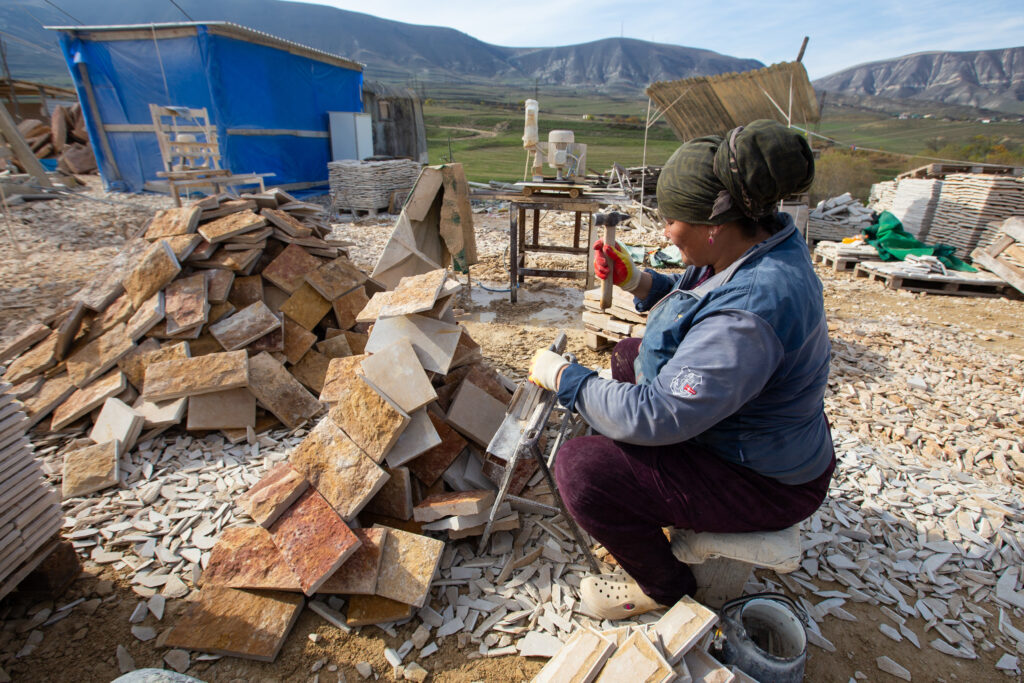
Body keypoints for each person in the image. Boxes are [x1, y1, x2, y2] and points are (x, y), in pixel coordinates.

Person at [527, 120, 835, 619]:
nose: (666, 231)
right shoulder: (754, 240)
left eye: (672, 220)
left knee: (582, 472)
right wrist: (640, 281)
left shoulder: (754, 310)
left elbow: (658, 415)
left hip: (766, 481)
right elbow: (701, 301)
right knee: (631, 353)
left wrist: (568, 379)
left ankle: (666, 587)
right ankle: (651, 498)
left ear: (713, 224)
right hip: (756, 435)